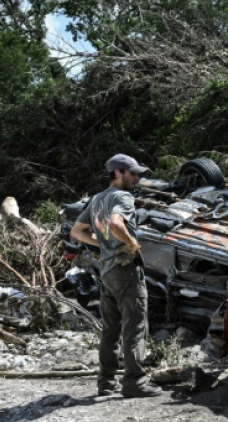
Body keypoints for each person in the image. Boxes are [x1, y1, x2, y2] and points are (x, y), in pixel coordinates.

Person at [70, 154, 163, 398]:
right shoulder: (123, 196)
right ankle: (135, 382)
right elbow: (114, 224)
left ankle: (106, 383)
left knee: (110, 329)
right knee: (135, 326)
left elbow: (77, 231)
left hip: (107, 271)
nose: (136, 178)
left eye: (137, 173)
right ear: (117, 173)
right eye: (132, 173)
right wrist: (132, 244)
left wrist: (101, 247)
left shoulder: (97, 199)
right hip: (126, 270)